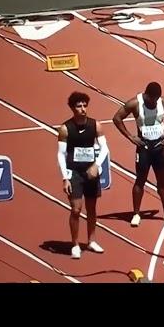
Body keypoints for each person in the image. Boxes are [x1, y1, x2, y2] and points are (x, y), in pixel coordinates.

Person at [113, 82, 164, 226]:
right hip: (144, 148)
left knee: (162, 180)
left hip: (159, 147)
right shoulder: (135, 104)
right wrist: (130, 136)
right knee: (140, 180)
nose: (154, 102)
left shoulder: (163, 102)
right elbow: (117, 118)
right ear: (146, 95)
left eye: (156, 99)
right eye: (152, 99)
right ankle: (136, 214)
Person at [57, 92, 108, 259]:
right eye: (79, 106)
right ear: (72, 108)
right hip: (74, 173)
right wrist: (65, 177)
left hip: (90, 172)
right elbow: (60, 154)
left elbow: (105, 149)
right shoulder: (65, 129)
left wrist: (96, 165)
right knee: (76, 210)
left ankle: (91, 241)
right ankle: (75, 244)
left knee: (92, 209)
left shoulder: (96, 125)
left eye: (85, 105)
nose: (83, 109)